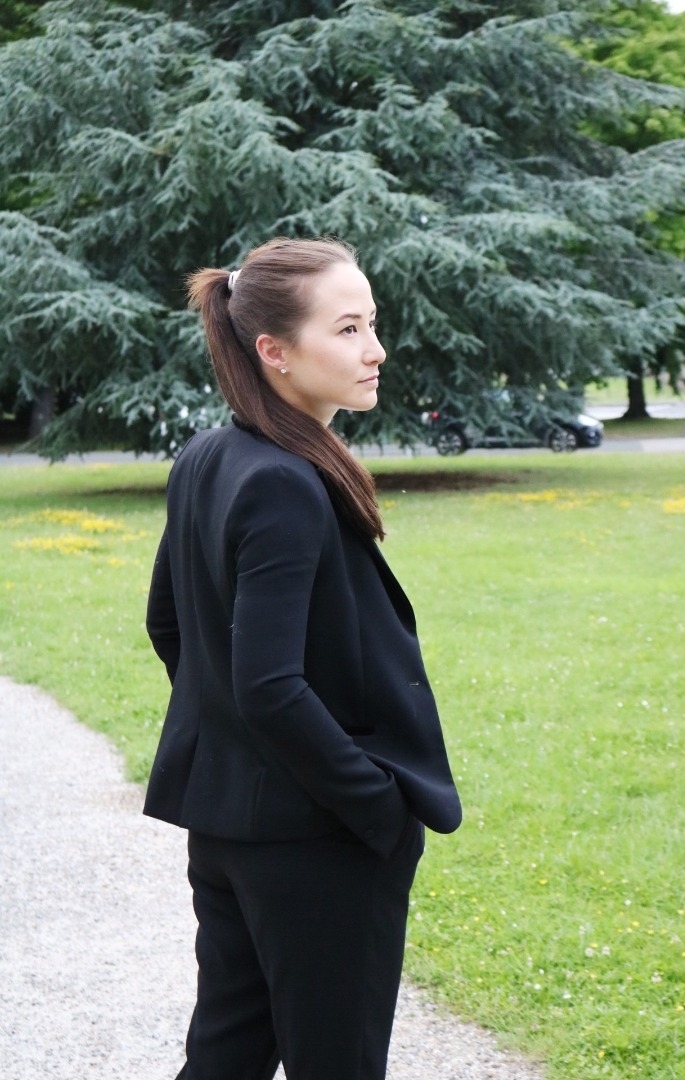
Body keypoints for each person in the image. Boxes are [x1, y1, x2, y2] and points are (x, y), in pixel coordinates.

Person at [144, 235, 462, 1080]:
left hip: (231, 828)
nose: (375, 349)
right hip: (316, 839)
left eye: (372, 324)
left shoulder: (209, 457)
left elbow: (169, 627)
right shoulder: (281, 480)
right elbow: (268, 685)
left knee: (225, 1056)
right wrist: (374, 806)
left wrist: (242, 754)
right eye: (349, 329)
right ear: (274, 352)